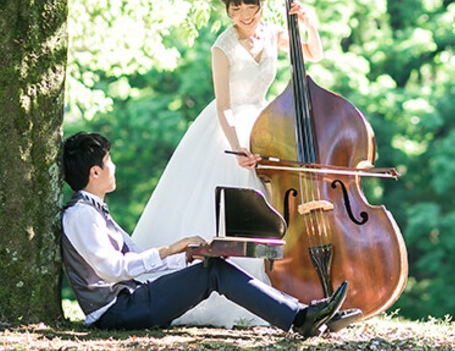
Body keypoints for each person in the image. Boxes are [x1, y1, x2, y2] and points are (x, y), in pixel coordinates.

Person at [130, 0, 322, 327]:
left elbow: (313, 54)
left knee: (274, 207)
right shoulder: (223, 46)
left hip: (267, 126)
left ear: (261, 4)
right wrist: (238, 149)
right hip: (230, 131)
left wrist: (307, 23)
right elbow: (223, 106)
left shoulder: (270, 32)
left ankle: (279, 287)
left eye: (250, 8)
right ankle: (229, 292)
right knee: (234, 210)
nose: (244, 17)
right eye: (235, 10)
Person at [61, 132, 359, 335]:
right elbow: (113, 270)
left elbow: (136, 262)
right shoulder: (80, 216)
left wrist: (188, 257)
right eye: (108, 161)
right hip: (117, 312)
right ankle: (300, 318)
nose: (114, 166)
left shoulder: (95, 211)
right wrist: (169, 249)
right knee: (213, 272)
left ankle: (306, 316)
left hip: (132, 301)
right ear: (94, 173)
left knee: (209, 266)